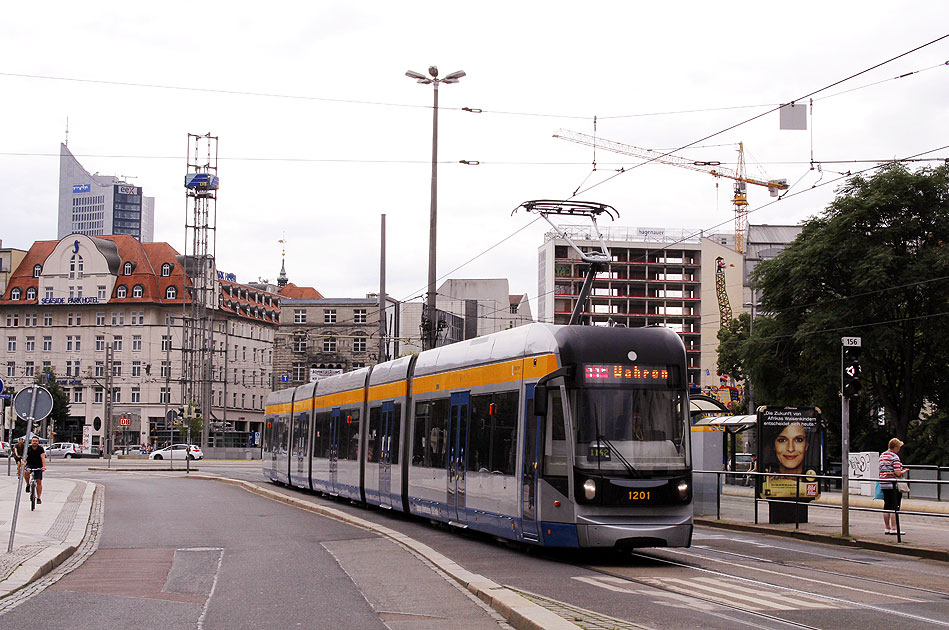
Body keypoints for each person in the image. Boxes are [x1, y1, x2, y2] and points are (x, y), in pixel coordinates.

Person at [879, 437, 907, 535]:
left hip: (883, 483)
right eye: (898, 447)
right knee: (895, 506)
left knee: (887, 505)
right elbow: (897, 473)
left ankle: (887, 528)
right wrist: (904, 471)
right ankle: (894, 528)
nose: (899, 450)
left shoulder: (882, 456)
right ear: (895, 447)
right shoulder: (895, 457)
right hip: (892, 484)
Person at [23, 436, 47, 505]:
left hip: (38, 465)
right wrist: (23, 464)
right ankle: (28, 484)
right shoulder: (28, 449)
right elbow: (25, 457)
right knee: (26, 472)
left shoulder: (40, 449)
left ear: (38, 442)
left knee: (38, 481)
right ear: (31, 442)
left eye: (36, 441)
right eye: (33, 441)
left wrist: (44, 466)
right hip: (30, 464)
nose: (34, 442)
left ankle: (39, 498)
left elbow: (43, 458)